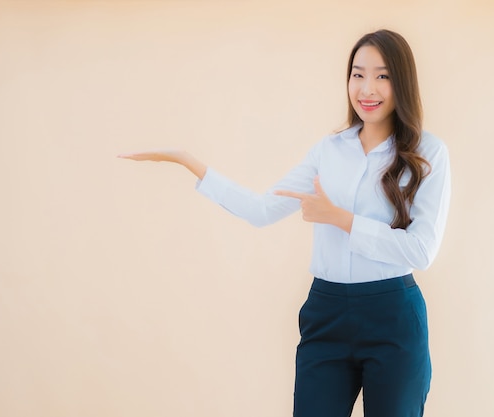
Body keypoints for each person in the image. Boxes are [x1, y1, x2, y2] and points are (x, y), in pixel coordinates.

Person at [119, 29, 450, 417]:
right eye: (357, 74)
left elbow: (421, 250)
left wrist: (341, 219)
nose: (367, 88)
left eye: (382, 76)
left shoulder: (428, 153)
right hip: (326, 313)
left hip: (392, 316)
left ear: (402, 82)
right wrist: (188, 161)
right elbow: (262, 209)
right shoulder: (328, 151)